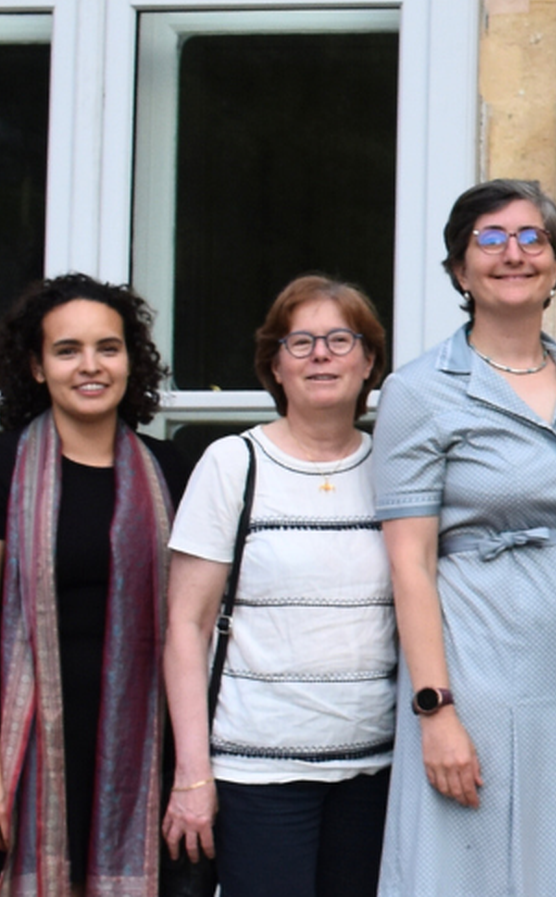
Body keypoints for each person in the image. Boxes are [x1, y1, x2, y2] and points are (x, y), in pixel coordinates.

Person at [373, 179, 556, 896]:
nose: (512, 253)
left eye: (531, 238)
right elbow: (411, 564)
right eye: (490, 238)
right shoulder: (419, 390)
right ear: (459, 269)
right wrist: (436, 709)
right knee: (474, 863)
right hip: (478, 666)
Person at [0, 275, 191, 895]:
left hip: (143, 755)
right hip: (19, 752)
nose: (90, 366)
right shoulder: (2, 469)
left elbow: (197, 622)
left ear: (132, 360)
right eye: (67, 350)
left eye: (108, 347)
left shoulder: (173, 471)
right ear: (38, 368)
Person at [159, 276, 395, 896]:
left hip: (378, 773)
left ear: (369, 361)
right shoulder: (233, 463)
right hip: (256, 776)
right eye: (301, 342)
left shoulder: (396, 467)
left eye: (341, 339)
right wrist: (192, 775)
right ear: (275, 366)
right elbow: (186, 627)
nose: (321, 354)